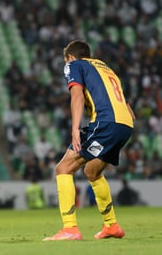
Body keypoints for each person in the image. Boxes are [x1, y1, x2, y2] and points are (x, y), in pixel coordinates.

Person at [43, 40, 135, 241]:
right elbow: (124, 103)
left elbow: (76, 95)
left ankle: (70, 229)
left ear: (70, 57)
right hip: (125, 124)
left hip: (106, 122)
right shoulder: (105, 68)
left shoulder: (74, 65)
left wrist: (75, 129)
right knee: (92, 171)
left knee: (63, 168)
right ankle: (111, 225)